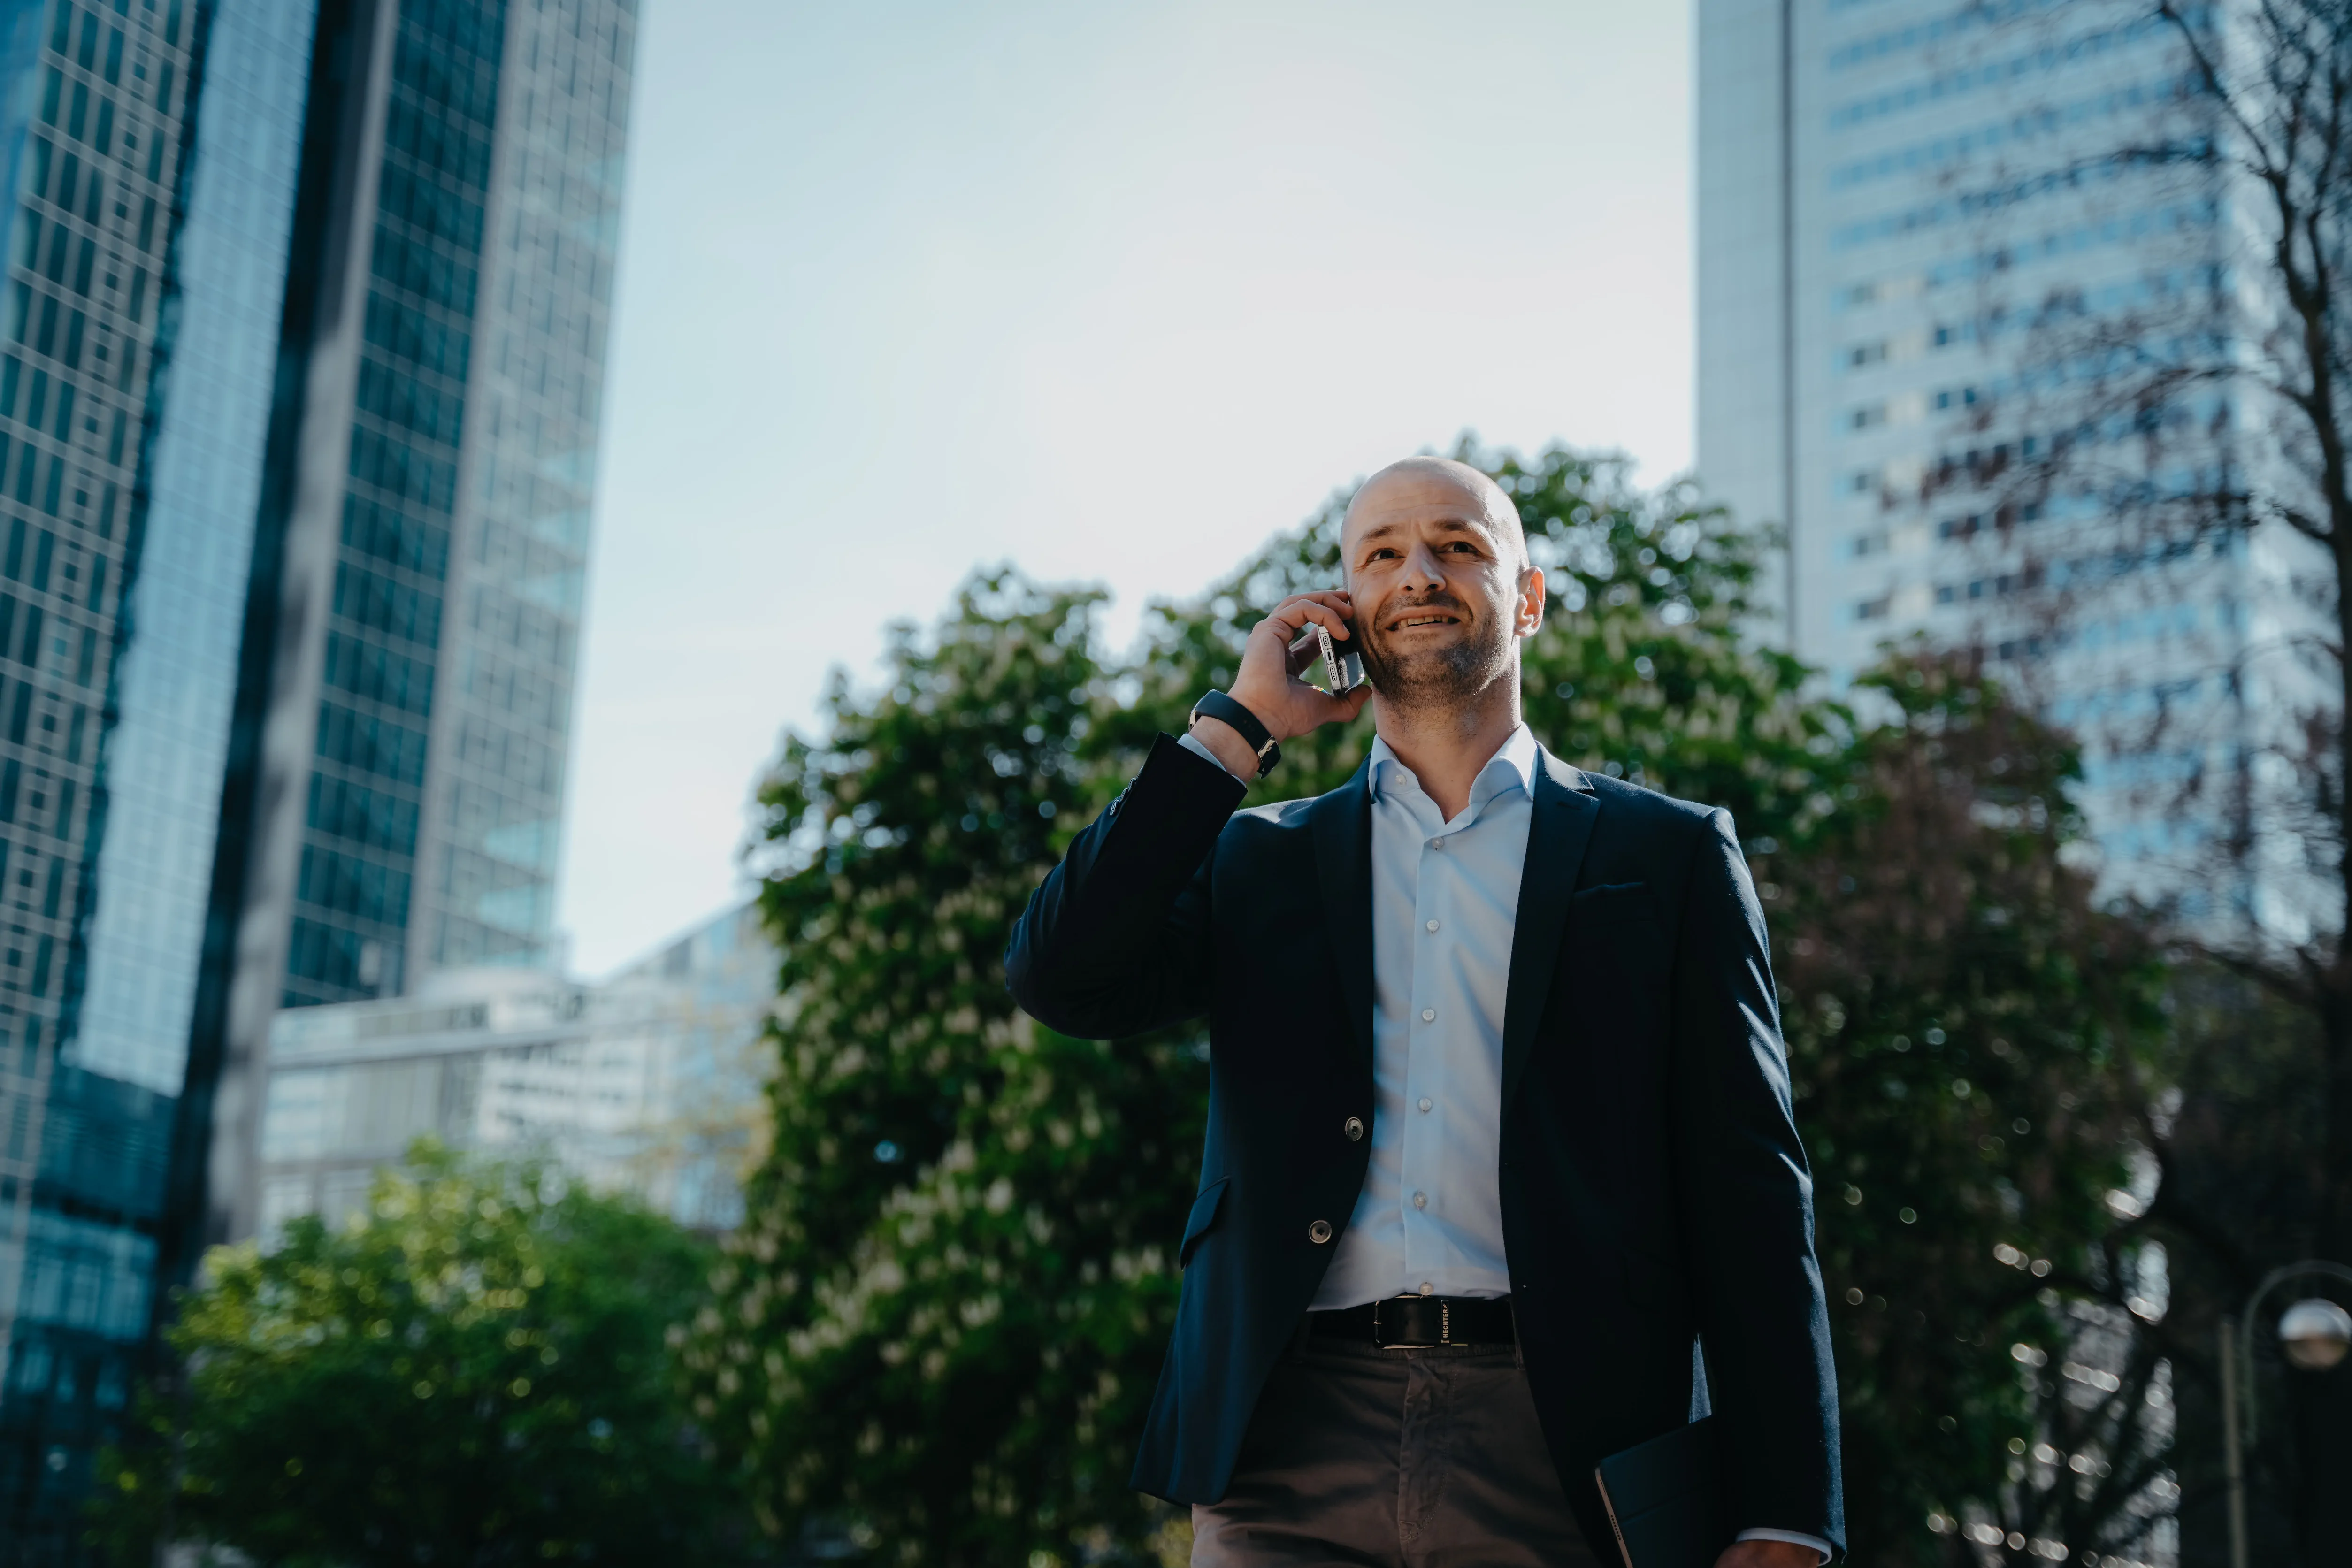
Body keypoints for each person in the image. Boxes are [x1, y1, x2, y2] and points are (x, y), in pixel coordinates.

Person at [1004, 457, 1842, 1567]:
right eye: (1382, 553)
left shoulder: (1669, 854)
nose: (1420, 572)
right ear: (1343, 604)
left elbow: (1752, 1187)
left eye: (1459, 544)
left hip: (1569, 1437)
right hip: (1285, 1440)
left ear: (1529, 597)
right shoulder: (1260, 855)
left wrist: (1787, 1506)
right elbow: (1063, 975)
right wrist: (1238, 726)